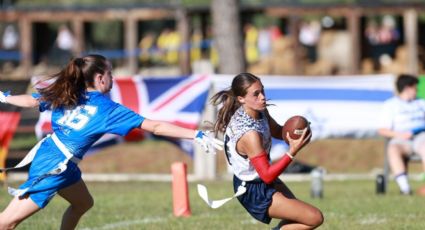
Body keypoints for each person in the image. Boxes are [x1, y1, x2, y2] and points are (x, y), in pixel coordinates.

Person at [0, 54, 222, 230]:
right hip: (54, 166)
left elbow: (31, 100)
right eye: (110, 73)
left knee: (83, 203)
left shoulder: (68, 91)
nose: (113, 79)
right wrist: (195, 134)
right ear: (99, 78)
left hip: (58, 159)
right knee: (7, 223)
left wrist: (5, 97)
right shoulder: (108, 109)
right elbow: (155, 126)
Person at [210, 73, 323, 229]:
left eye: (262, 91)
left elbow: (277, 131)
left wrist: (295, 132)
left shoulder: (259, 112)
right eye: (256, 94)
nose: (262, 97)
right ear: (241, 99)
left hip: (260, 179)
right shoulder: (250, 135)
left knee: (299, 217)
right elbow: (267, 175)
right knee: (314, 218)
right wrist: (292, 151)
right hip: (252, 189)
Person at [378, 74, 425, 195]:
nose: (417, 91)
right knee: (393, 149)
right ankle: (405, 188)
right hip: (401, 139)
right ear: (407, 88)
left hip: (421, 137)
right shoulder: (390, 105)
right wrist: (400, 135)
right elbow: (382, 130)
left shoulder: (421, 103)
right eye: (415, 88)